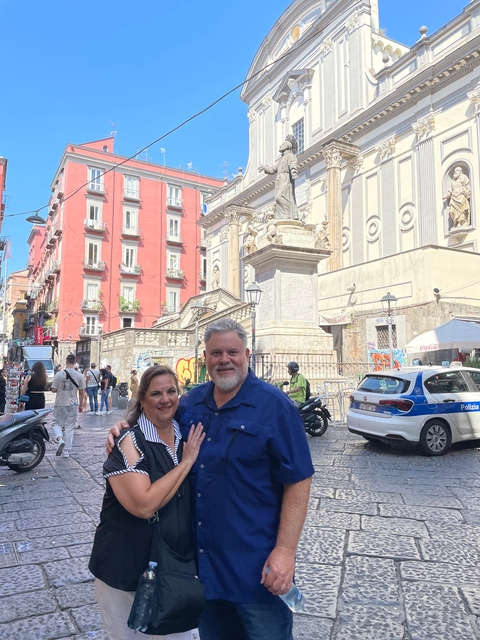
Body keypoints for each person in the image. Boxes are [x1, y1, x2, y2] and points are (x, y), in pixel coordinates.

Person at [108, 318, 314, 640]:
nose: (224, 359)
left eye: (232, 351)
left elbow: (299, 480)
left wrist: (286, 551)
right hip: (204, 571)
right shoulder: (190, 404)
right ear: (205, 358)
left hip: (256, 570)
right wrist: (123, 429)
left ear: (246, 353)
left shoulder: (276, 407)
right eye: (216, 353)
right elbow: (154, 417)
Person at [89, 365, 204, 640]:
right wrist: (187, 462)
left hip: (175, 570)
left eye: (171, 391)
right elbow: (144, 505)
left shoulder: (185, 434)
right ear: (142, 400)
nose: (165, 399)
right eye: (155, 393)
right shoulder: (130, 440)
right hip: (125, 569)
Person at [51, 354, 86, 458]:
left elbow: (53, 389)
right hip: (73, 403)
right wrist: (81, 404)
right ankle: (66, 451)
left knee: (56, 423)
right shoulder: (79, 376)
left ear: (66, 361)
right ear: (75, 362)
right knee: (70, 427)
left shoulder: (59, 375)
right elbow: (81, 391)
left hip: (60, 403)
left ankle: (60, 439)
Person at [258, 135, 299, 220]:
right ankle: (283, 216)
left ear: (287, 146)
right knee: (278, 199)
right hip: (280, 179)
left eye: (282, 144)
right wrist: (264, 167)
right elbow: (273, 169)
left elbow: (293, 163)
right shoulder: (281, 159)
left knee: (280, 197)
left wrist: (294, 171)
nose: (280, 146)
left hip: (286, 178)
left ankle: (287, 215)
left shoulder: (290, 156)